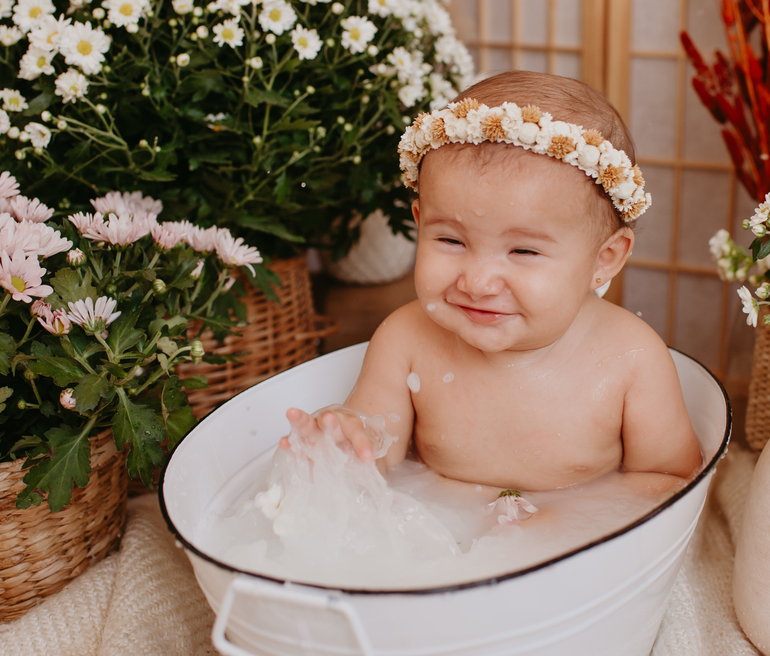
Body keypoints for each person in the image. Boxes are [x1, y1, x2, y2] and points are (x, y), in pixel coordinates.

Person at [282, 71, 701, 499]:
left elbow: (670, 479)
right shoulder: (405, 340)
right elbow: (377, 451)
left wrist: (577, 530)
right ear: (419, 222)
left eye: (523, 252)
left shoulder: (631, 359)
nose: (477, 282)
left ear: (604, 259)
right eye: (449, 240)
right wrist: (345, 444)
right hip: (445, 544)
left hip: (578, 551)